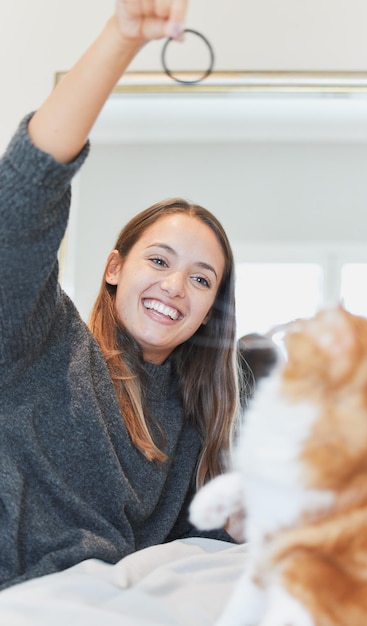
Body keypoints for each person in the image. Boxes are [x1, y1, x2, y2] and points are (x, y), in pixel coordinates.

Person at [0, 0, 240, 591]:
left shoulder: (198, 422)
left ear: (212, 308)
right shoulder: (43, 339)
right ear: (114, 266)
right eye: (159, 261)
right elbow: (27, 192)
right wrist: (122, 37)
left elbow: (190, 553)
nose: (175, 287)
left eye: (202, 278)